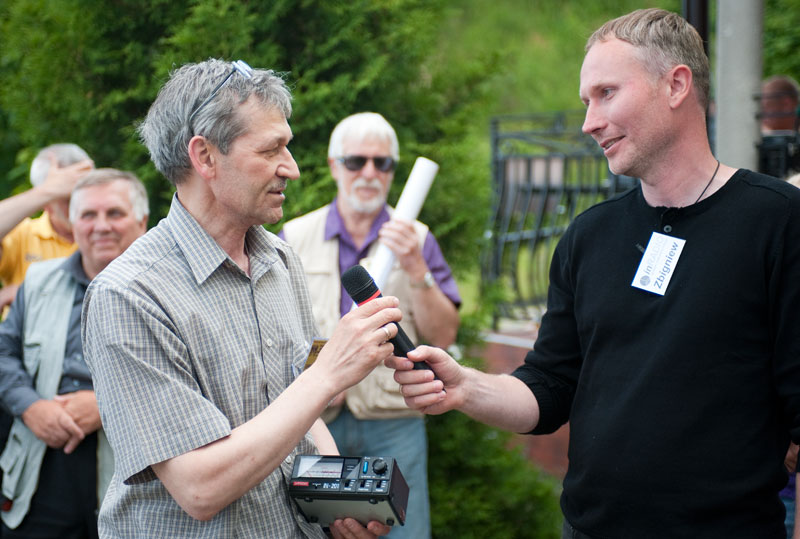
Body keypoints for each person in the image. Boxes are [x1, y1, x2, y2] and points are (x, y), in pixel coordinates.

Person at [387, 8, 800, 538]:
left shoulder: (777, 222)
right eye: (587, 102)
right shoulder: (589, 235)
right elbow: (548, 389)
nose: (589, 122)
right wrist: (465, 386)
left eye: (606, 93)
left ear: (676, 85)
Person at [81, 59, 400, 539]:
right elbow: (199, 488)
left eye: (287, 146)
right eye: (271, 149)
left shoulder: (281, 261)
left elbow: (303, 411)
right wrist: (330, 373)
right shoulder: (129, 295)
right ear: (205, 157)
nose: (291, 168)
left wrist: (335, 501)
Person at [281, 112, 461, 539]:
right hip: (317, 417)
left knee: (403, 533)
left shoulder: (417, 238)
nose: (368, 173)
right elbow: (277, 331)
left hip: (392, 422)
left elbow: (444, 334)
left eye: (382, 163)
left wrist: (416, 268)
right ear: (333, 166)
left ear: (393, 171)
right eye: (355, 161)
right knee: (318, 532)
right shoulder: (294, 236)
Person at [0, 168, 148, 538]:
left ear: (142, 220)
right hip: (41, 461)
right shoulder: (38, 281)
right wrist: (31, 407)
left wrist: (106, 405)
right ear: (72, 224)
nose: (101, 226)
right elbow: (3, 353)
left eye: (115, 213)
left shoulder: (169, 288)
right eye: (88, 215)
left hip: (135, 473)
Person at [0, 143, 94, 311]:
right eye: (68, 199)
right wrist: (46, 192)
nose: (81, 207)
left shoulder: (107, 234)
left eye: (85, 196)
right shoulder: (23, 234)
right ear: (46, 204)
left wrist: (26, 290)